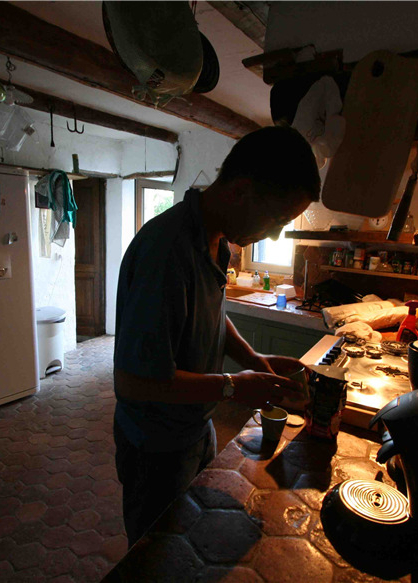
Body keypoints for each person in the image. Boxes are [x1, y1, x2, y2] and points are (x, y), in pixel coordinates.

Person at [112, 125, 322, 546]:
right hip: (155, 444)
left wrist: (253, 361)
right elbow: (135, 381)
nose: (277, 234)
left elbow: (212, 315)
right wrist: (232, 386)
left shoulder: (216, 241)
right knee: (156, 554)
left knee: (189, 537)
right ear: (241, 191)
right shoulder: (166, 252)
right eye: (279, 219)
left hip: (194, 426)